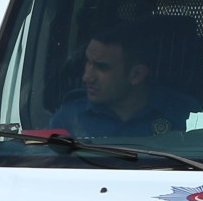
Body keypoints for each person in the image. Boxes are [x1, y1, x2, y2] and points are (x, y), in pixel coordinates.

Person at [47, 22, 192, 139]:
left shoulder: (180, 114)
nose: (86, 77)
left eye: (101, 67)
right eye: (88, 62)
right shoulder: (70, 117)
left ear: (136, 74)